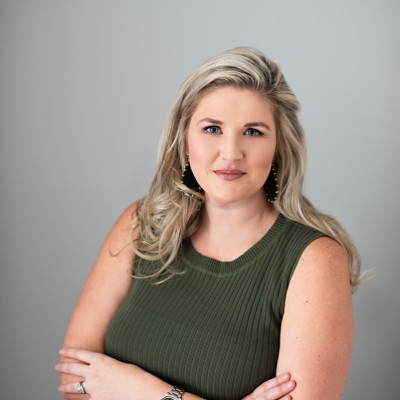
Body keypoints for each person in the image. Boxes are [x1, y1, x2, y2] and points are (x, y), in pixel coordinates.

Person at [55, 47, 360, 400]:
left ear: (278, 147)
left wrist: (141, 389)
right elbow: (73, 382)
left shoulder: (315, 260)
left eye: (253, 132)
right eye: (212, 128)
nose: (230, 152)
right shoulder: (141, 224)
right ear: (185, 140)